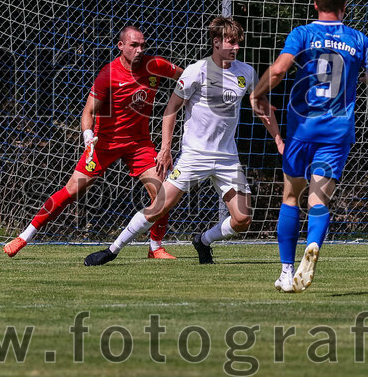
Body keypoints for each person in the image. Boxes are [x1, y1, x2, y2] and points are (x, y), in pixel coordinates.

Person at [84, 17, 283, 266]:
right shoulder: (196, 71)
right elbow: (171, 109)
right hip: (194, 155)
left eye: (238, 43)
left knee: (243, 219)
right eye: (230, 42)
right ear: (216, 42)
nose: (236, 47)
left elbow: (261, 106)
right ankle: (112, 250)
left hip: (227, 158)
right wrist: (165, 148)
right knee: (159, 206)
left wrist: (278, 139)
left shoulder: (246, 72)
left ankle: (203, 240)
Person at [250, 0, 368, 293]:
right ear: (345, 5)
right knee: (319, 199)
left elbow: (278, 70)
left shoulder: (302, 34)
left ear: (315, 3)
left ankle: (286, 271)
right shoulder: (359, 40)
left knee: (291, 196)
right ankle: (314, 243)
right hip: (336, 132)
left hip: (302, 129)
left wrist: (257, 93)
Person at [3, 26, 182, 258]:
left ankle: (155, 247)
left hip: (139, 144)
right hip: (104, 144)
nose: (139, 50)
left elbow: (186, 77)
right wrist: (88, 136)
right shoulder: (108, 74)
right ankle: (24, 237)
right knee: (71, 191)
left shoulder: (155, 65)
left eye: (142, 45)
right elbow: (88, 112)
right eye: (133, 45)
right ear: (121, 46)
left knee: (162, 195)